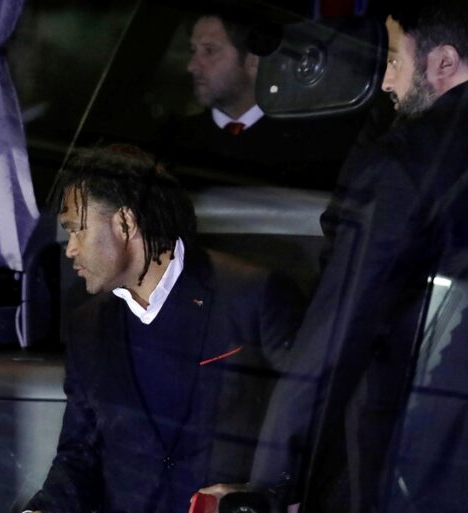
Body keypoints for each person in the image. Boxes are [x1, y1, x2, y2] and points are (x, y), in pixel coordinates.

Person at [242, 1, 468, 512]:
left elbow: (337, 331)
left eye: (394, 59)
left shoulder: (410, 159)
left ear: (444, 62)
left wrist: (274, 482)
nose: (386, 81)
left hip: (410, 442)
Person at [23, 144, 304, 513]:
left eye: (77, 230)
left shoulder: (250, 295)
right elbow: (80, 453)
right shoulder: (87, 325)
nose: (70, 249)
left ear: (125, 223)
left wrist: (261, 497)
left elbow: (313, 420)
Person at [162, 9, 365, 190]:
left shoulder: (308, 145)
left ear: (253, 60)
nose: (192, 66)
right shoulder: (173, 139)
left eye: (209, 50)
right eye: (193, 51)